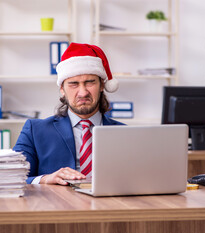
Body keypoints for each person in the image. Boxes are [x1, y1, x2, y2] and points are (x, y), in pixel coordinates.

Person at [13, 43, 125, 185]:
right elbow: (14, 177)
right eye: (73, 84)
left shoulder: (124, 134)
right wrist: (46, 179)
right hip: (59, 205)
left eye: (90, 82)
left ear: (102, 85)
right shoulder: (35, 130)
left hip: (111, 205)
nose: (83, 92)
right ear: (62, 89)